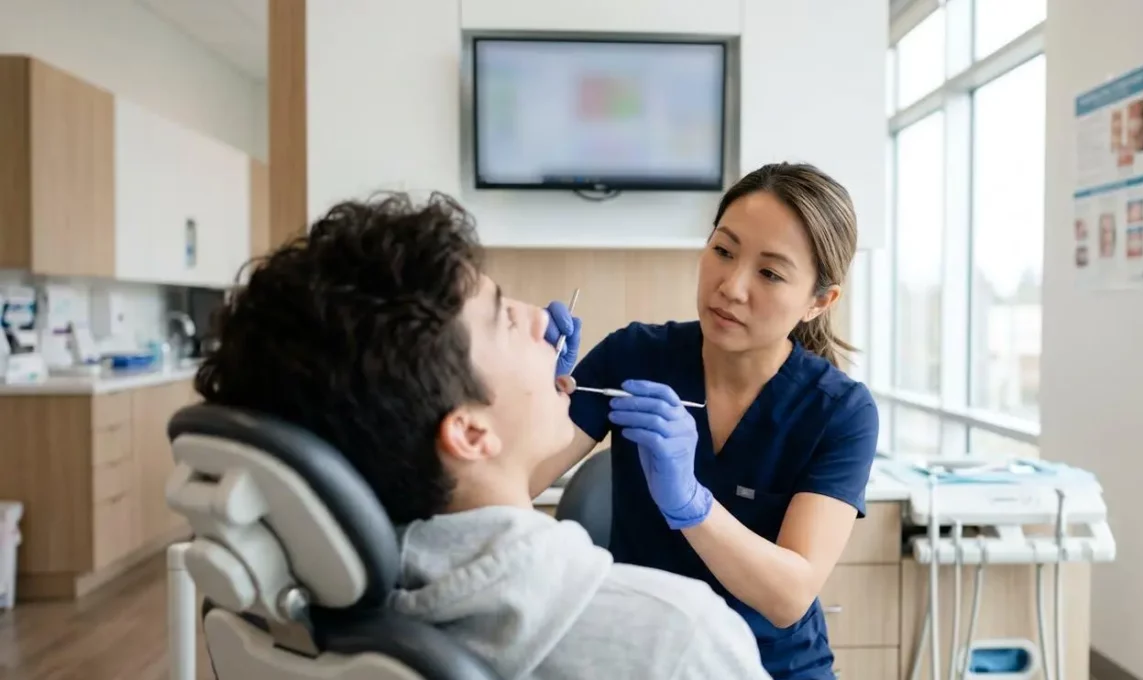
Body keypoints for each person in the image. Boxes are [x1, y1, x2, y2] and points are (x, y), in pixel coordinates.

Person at [193, 192, 772, 680]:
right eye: (505, 318)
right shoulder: (677, 639)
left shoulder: (294, 614)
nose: (546, 322)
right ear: (470, 432)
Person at [534, 162, 881, 680]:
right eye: (723, 250)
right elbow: (516, 479)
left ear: (819, 301)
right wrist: (525, 389)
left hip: (773, 668)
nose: (731, 286)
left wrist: (691, 505)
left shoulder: (838, 411)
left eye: (769, 273)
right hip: (642, 659)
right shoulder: (633, 356)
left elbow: (788, 596)